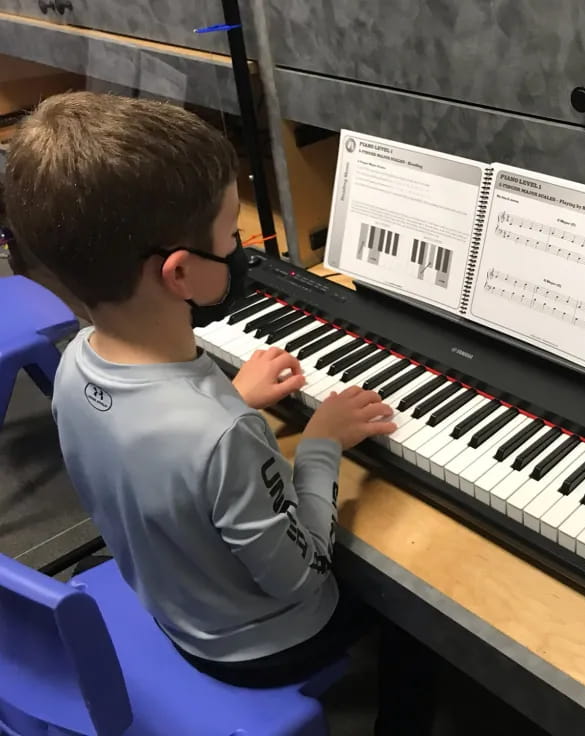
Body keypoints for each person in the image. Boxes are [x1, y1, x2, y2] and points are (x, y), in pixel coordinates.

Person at [2, 92, 435, 734]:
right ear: (179, 273)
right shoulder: (222, 434)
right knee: (420, 616)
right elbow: (301, 574)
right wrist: (320, 442)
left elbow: (159, 451)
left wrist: (236, 396)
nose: (241, 246)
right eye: (232, 234)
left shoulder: (73, 367)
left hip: (173, 605)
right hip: (257, 648)